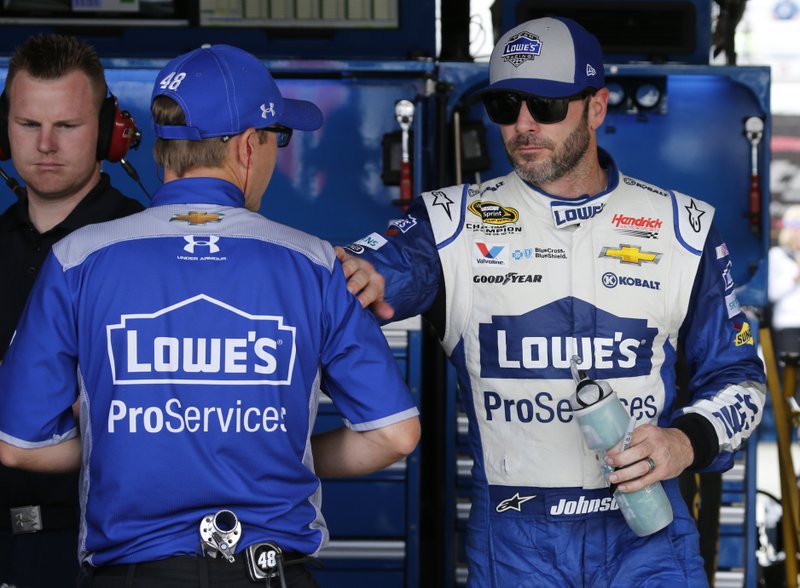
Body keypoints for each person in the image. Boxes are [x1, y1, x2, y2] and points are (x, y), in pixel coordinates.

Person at [336, 16, 766, 587]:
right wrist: (348, 274)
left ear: (596, 107)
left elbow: (741, 380)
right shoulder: (446, 224)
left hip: (648, 536)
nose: (522, 126)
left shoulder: (683, 228)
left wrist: (685, 443)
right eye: (505, 107)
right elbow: (356, 277)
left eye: (544, 105)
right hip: (517, 545)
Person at [0, 44, 420, 587]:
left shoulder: (78, 258)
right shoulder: (316, 264)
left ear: (160, 153)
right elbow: (395, 436)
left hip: (131, 575)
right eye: (277, 139)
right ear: (250, 147)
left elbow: (17, 444)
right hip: (271, 573)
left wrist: (134, 440)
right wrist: (284, 450)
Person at [0, 33, 144, 587]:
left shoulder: (145, 250)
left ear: (110, 132)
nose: (46, 145)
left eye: (67, 125)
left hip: (101, 551)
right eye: (29, 124)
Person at [769, 204, 800, 359]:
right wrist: (794, 278)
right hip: (788, 324)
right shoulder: (777, 255)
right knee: (789, 375)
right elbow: (771, 293)